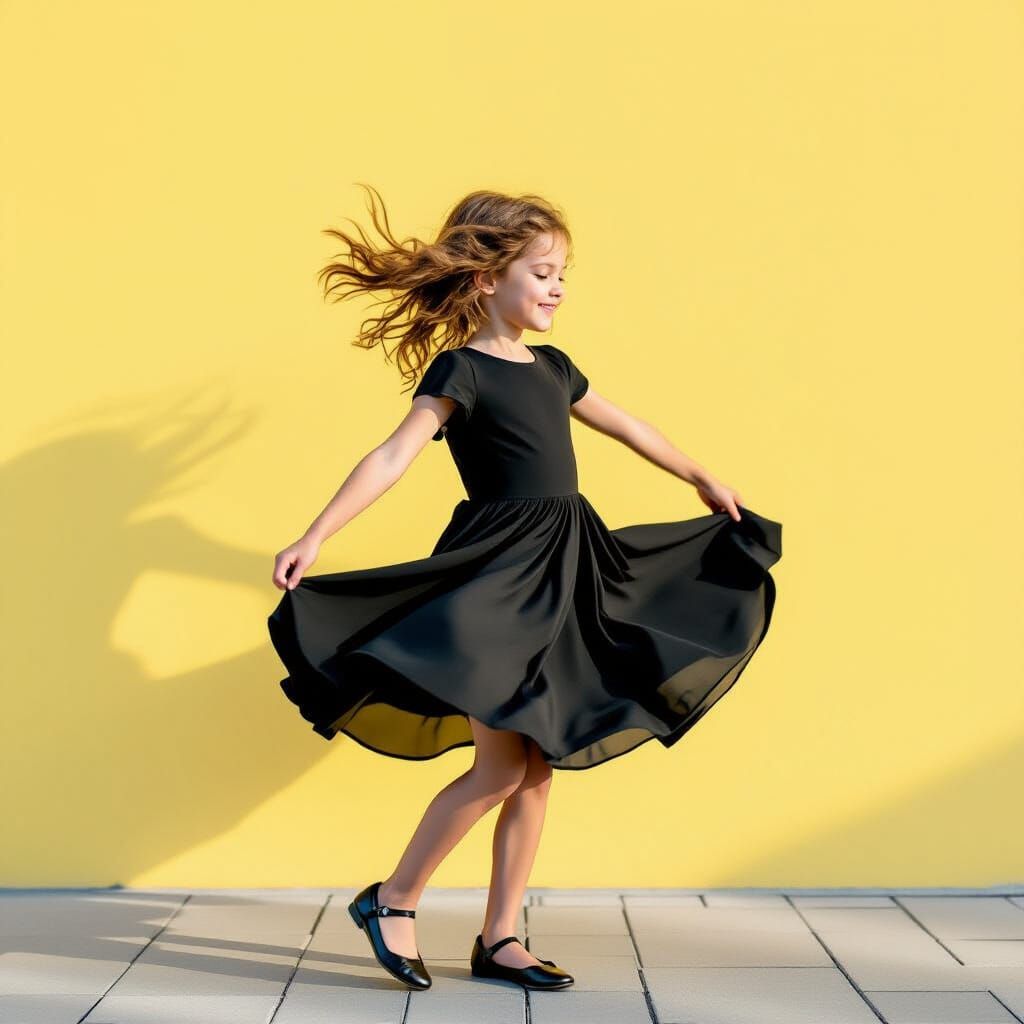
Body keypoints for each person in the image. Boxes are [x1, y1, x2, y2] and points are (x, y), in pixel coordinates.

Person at [267, 185, 782, 992]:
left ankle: (499, 938)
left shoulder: (554, 367)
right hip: (496, 578)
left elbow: (624, 423)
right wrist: (316, 534)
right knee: (501, 767)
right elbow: (394, 454)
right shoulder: (462, 370)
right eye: (541, 272)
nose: (556, 287)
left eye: (563, 274)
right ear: (484, 281)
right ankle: (391, 899)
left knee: (535, 767)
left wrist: (697, 474)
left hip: (568, 567)